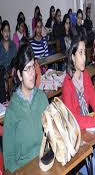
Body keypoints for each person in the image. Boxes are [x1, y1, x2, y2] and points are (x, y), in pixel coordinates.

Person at [62, 36, 95, 175]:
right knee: (90, 165)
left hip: (87, 131)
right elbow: (74, 119)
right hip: (74, 136)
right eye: (80, 53)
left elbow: (93, 97)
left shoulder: (85, 75)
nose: (84, 57)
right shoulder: (67, 84)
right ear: (73, 57)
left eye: (84, 53)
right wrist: (94, 120)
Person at [3, 44, 49, 172]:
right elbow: (9, 160)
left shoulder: (42, 99)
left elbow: (51, 138)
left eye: (33, 67)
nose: (32, 73)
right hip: (24, 169)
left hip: (45, 164)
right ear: (19, 75)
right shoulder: (12, 111)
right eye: (27, 69)